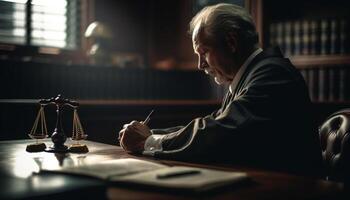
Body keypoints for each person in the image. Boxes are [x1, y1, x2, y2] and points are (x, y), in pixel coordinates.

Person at [118, 3, 323, 175]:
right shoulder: (252, 74)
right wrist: (148, 134)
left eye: (204, 52)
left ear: (231, 42)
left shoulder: (273, 74)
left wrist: (149, 141)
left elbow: (220, 131)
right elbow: (216, 123)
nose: (200, 65)